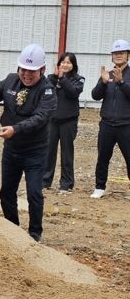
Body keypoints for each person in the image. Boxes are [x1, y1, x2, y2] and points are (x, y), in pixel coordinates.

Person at [0, 43, 56, 242]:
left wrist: (15, 129)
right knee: (6, 192)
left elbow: (40, 118)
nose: (26, 74)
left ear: (42, 70)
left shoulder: (48, 91)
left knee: (34, 193)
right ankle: (12, 229)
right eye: (23, 69)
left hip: (35, 151)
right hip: (12, 150)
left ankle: (34, 234)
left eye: (32, 71)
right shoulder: (10, 81)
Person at [90, 39, 130, 199]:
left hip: (126, 125)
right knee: (103, 157)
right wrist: (103, 83)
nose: (118, 55)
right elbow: (95, 95)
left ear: (128, 55)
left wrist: (121, 83)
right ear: (112, 57)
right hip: (107, 124)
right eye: (115, 53)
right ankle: (99, 187)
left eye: (121, 53)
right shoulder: (108, 74)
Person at [44, 52, 84, 194]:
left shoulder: (78, 79)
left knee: (67, 152)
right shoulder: (51, 78)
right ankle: (45, 181)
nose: (65, 65)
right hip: (52, 121)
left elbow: (73, 92)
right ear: (59, 64)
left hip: (69, 121)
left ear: (73, 65)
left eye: (69, 62)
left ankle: (66, 184)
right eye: (63, 62)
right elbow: (47, 90)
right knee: (49, 152)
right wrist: (55, 78)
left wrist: (63, 79)